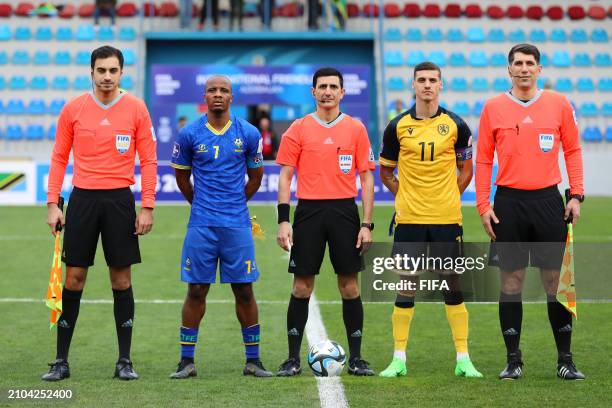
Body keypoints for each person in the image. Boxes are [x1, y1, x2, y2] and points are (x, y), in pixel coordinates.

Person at [43, 46, 158, 381]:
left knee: (121, 279)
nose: (107, 76)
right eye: (101, 70)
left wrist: (147, 206)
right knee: (74, 278)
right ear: (91, 72)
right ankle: (61, 361)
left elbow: (149, 160)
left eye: (113, 70)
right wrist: (53, 203)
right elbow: (58, 157)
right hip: (82, 202)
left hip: (120, 201)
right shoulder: (74, 109)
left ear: (122, 73)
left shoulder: (136, 108)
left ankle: (124, 361)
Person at [476, 43, 585, 380]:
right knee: (511, 282)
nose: (523, 68)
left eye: (529, 63)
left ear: (539, 69)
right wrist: (483, 204)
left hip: (548, 203)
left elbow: (573, 149)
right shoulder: (493, 107)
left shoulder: (559, 104)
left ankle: (565, 360)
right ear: (508, 70)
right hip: (508, 204)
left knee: (555, 282)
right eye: (517, 63)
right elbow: (482, 159)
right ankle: (513, 360)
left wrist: (576, 195)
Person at [378, 62, 483, 379]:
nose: (426, 85)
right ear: (413, 85)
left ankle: (463, 358)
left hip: (446, 218)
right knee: (406, 283)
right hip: (409, 219)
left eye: (432, 80)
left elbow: (467, 168)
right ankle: (398, 359)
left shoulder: (456, 125)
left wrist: (452, 193)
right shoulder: (397, 126)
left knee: (452, 283)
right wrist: (404, 194)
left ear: (441, 85)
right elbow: (385, 171)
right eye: (421, 80)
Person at [169, 75, 273, 378]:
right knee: (197, 289)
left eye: (223, 91)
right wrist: (201, 204)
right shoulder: (189, 133)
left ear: (231, 97)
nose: (218, 95)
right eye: (212, 90)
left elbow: (256, 176)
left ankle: (253, 360)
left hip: (237, 224)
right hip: (201, 223)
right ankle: (186, 361)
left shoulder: (249, 133)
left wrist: (235, 204)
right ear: (205, 96)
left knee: (244, 289)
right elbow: (181, 178)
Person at [275, 67, 376, 376]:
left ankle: (357, 358)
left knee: (349, 286)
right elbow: (285, 175)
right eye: (323, 86)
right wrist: (283, 220)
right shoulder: (299, 127)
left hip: (345, 213)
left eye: (334, 86)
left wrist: (367, 223)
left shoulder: (356, 128)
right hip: (308, 214)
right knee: (302, 287)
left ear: (342, 92)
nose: (328, 91)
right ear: (313, 92)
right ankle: (292, 359)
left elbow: (367, 177)